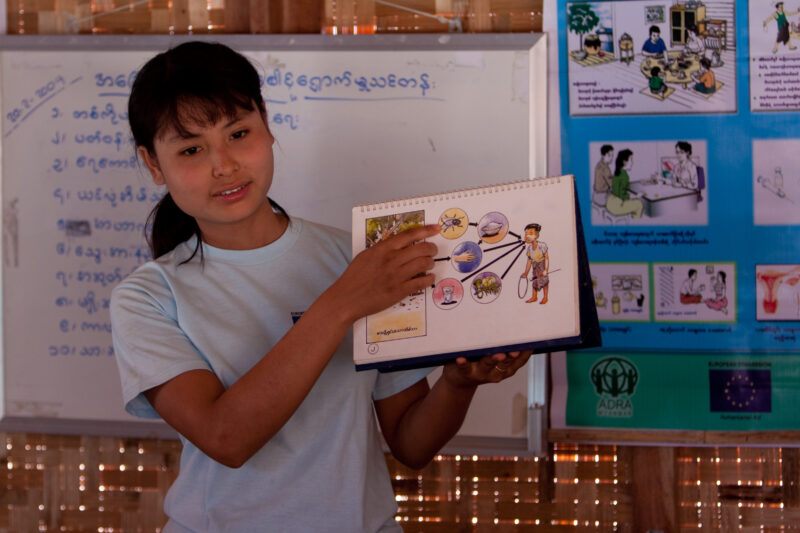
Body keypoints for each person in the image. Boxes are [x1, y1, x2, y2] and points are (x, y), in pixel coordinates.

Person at [109, 41, 532, 532]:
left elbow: (411, 445)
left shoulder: (356, 261)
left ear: (266, 125)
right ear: (153, 164)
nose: (223, 165)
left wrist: (458, 384)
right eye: (190, 149)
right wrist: (341, 304)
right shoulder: (147, 298)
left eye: (239, 133)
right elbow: (227, 438)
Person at [606, 149, 644, 218]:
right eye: (631, 160)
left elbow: (620, 190)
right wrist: (636, 196)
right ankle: (635, 223)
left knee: (633, 201)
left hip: (610, 202)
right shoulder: (624, 176)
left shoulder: (618, 172)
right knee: (639, 204)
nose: (632, 162)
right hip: (616, 206)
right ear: (624, 162)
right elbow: (621, 195)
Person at [520, 223, 549, 304]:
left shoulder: (542, 245)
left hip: (542, 265)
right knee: (534, 281)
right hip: (535, 267)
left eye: (530, 234)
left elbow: (546, 258)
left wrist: (546, 269)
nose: (527, 236)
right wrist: (526, 273)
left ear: (536, 235)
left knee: (544, 281)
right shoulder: (529, 248)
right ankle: (534, 296)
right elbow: (529, 261)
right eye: (526, 234)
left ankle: (545, 297)